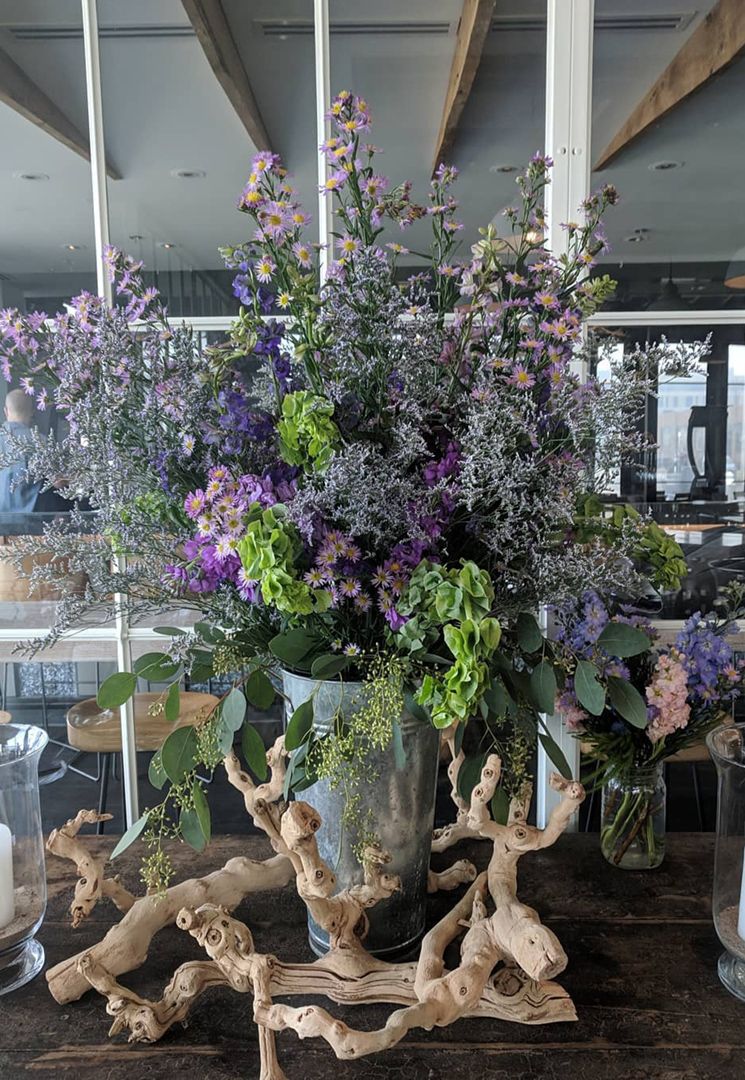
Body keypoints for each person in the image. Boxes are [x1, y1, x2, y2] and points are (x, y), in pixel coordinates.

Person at [0, 389, 41, 512]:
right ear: (32, 412)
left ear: (5, 411)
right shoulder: (41, 443)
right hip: (31, 523)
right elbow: (58, 483)